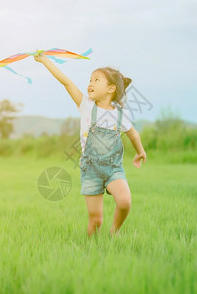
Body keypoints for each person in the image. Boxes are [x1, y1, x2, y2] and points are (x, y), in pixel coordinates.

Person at [34, 53, 146, 237]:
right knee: (96, 220)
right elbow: (67, 83)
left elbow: (133, 134)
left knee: (125, 201)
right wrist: (46, 61)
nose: (90, 83)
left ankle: (115, 231)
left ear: (111, 88)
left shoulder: (120, 114)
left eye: (96, 80)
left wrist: (140, 152)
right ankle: (92, 250)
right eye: (90, 79)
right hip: (91, 170)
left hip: (113, 168)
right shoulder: (86, 105)